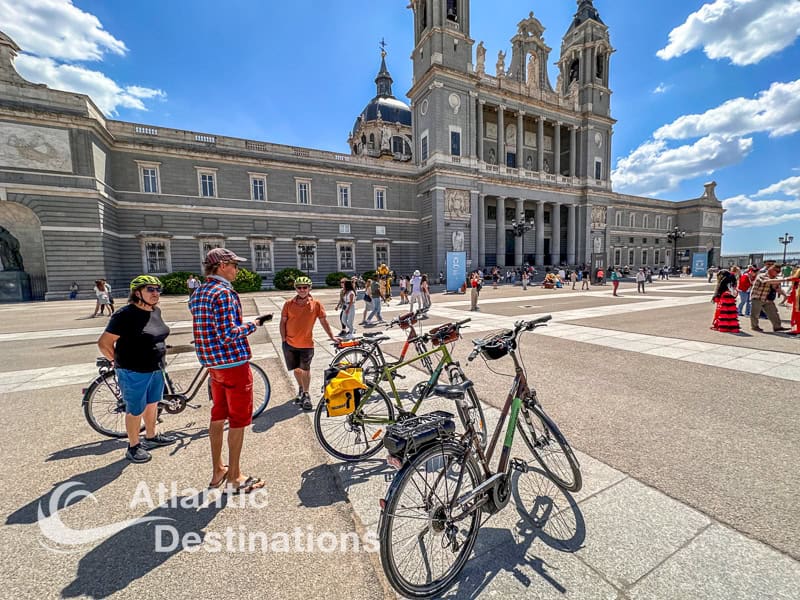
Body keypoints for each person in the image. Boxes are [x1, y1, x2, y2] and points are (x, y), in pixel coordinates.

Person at [189, 248, 269, 494]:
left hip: (213, 364)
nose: (237, 269)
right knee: (238, 420)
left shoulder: (199, 292)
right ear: (222, 265)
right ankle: (235, 476)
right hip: (233, 363)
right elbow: (227, 334)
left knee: (217, 414)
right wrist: (252, 325)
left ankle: (218, 470)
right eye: (234, 265)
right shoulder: (224, 293)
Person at [97, 275, 177, 463]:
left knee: (152, 404)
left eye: (158, 289)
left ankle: (151, 436)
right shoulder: (125, 314)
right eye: (150, 289)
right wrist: (117, 363)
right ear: (137, 292)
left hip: (156, 368)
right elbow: (104, 343)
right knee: (135, 410)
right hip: (134, 371)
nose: (155, 293)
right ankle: (133, 446)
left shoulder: (155, 311)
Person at [280, 275, 338, 410]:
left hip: (306, 344)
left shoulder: (316, 304)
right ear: (295, 289)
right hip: (289, 343)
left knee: (305, 370)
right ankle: (301, 388)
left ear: (309, 288)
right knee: (296, 370)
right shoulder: (288, 304)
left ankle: (306, 394)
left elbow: (324, 321)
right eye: (299, 288)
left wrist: (332, 336)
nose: (302, 290)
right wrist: (283, 339)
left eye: (304, 287)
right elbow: (283, 322)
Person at [749, 263, 789, 333]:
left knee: (774, 313)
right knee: (755, 314)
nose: (778, 273)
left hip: (768, 299)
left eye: (779, 272)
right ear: (771, 269)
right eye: (777, 271)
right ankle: (754, 326)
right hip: (758, 297)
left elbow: (778, 289)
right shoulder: (762, 275)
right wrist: (786, 279)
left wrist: (785, 295)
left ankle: (777, 327)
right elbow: (767, 281)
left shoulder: (776, 279)